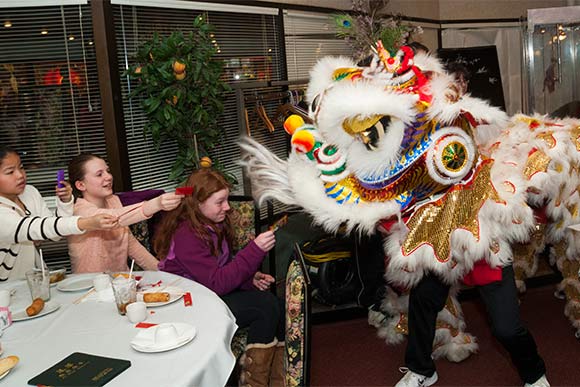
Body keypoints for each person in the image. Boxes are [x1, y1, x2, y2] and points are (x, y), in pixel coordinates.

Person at [153, 167, 284, 387]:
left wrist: (248, 278)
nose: (227, 207)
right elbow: (217, 283)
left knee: (279, 306)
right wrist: (253, 251)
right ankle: (252, 381)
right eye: (220, 202)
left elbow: (223, 266)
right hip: (190, 305)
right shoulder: (186, 235)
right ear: (197, 203)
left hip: (208, 294)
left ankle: (277, 378)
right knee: (265, 306)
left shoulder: (214, 223)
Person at [395, 264, 550, 387]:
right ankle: (420, 369)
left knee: (506, 329)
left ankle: (534, 373)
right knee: (422, 297)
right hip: (445, 247)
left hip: (488, 251)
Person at [0, 146, 118, 281]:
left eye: (21, 168)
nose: (20, 175)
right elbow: (33, 228)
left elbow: (54, 232)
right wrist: (87, 222)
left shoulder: (30, 192)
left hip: (34, 279)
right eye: (10, 172)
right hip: (6, 286)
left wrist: (65, 201)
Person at [67, 153, 183, 273]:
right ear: (81, 185)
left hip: (122, 282)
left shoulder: (113, 200)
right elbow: (115, 218)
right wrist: (156, 204)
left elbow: (131, 245)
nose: (108, 177)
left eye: (108, 171)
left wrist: (162, 271)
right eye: (99, 174)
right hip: (90, 286)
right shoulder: (79, 211)